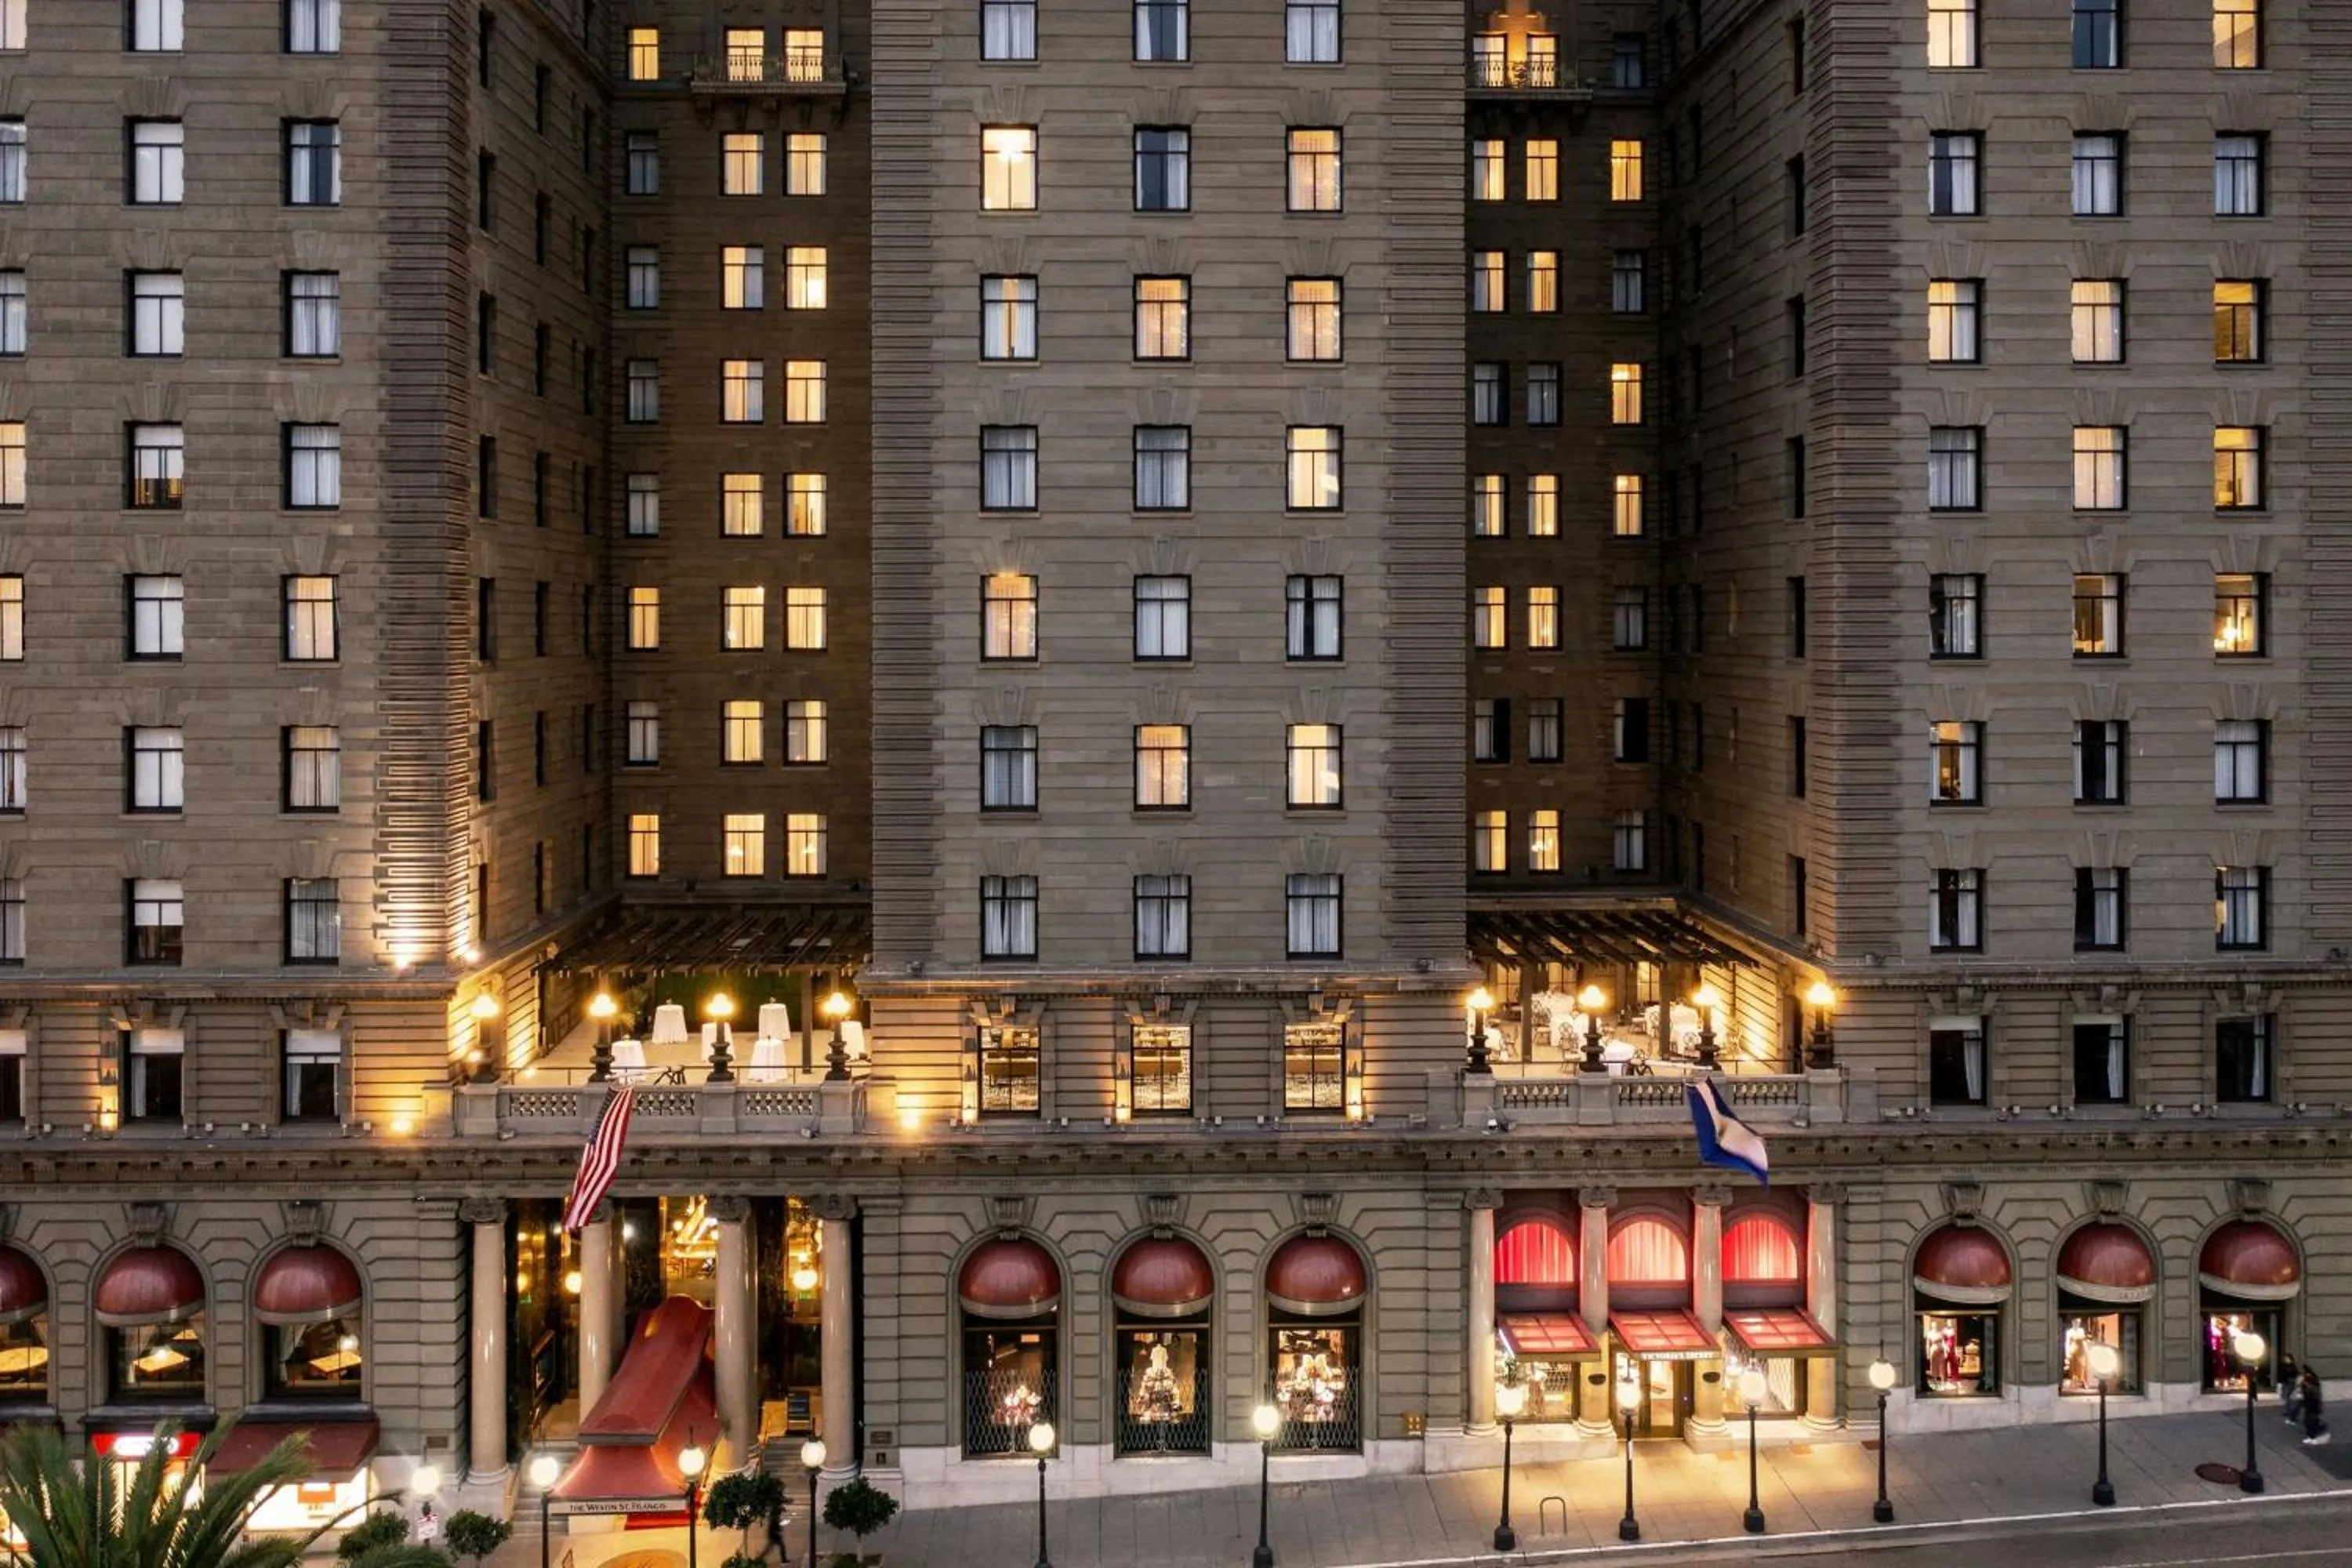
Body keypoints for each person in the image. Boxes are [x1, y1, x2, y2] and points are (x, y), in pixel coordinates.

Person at [2299, 1366, 2328, 1446]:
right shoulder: (2310, 1388)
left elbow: (2315, 1400)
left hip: (2313, 1408)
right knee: (2307, 1422)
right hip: (2310, 1408)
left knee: (2312, 1422)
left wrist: (2305, 1402)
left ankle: (2315, 1436)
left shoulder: (2313, 1389)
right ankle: (2311, 1436)